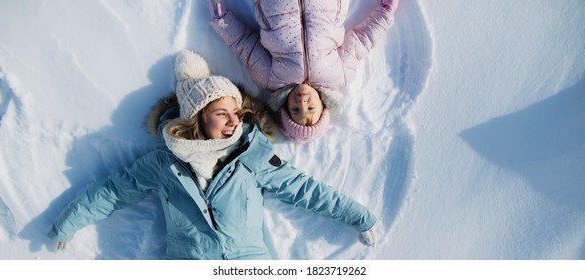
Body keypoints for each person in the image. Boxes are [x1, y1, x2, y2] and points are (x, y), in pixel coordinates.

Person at [47, 50, 378, 259]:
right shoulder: (165, 163)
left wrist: (359, 217)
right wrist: (70, 222)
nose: (234, 120)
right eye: (222, 113)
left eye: (236, 112)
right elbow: (114, 191)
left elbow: (306, 191)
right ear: (197, 117)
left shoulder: (253, 156)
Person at [209, 0, 399, 143]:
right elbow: (362, 41)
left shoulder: (270, 78)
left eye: (295, 110)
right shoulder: (338, 75)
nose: (302, 101)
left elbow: (245, 45)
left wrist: (222, 20)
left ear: (284, 107)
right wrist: (385, 13)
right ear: (324, 105)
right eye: (310, 108)